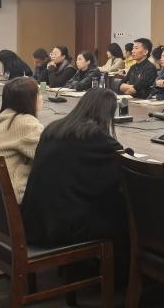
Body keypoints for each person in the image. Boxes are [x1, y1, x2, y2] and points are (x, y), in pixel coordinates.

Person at [20, 89, 126, 246]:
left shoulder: (53, 129)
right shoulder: (95, 137)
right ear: (107, 114)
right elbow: (121, 167)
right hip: (59, 229)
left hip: (33, 221)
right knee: (124, 212)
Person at [0, 77, 43, 203]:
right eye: (39, 94)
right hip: (8, 201)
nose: (41, 98)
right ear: (30, 99)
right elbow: (48, 156)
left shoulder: (3, 118)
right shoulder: (26, 123)